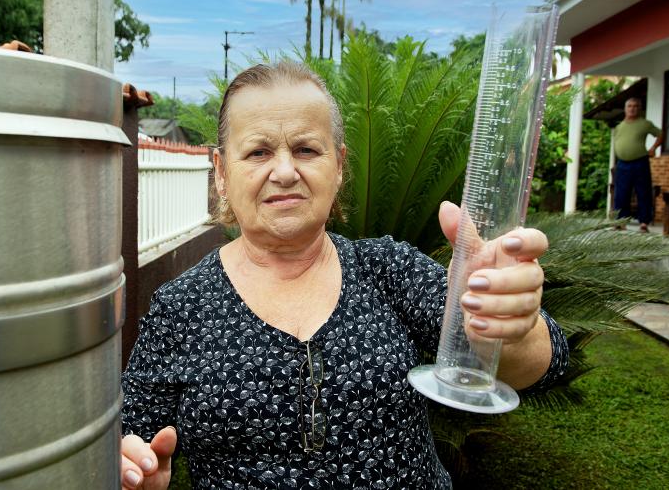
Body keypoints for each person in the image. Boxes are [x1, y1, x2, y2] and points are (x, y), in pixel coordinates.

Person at [120, 62, 569, 489]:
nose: (284, 172)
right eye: (258, 152)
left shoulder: (388, 269)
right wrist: (133, 470)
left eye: (306, 150)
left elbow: (544, 365)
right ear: (221, 173)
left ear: (338, 166)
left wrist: (502, 325)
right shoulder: (181, 308)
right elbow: (129, 438)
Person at [613, 97, 663, 233]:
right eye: (629, 106)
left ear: (639, 108)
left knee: (643, 192)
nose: (632, 108)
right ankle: (620, 222)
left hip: (640, 162)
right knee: (621, 193)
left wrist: (653, 148)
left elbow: (660, 134)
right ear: (625, 109)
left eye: (635, 106)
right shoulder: (619, 126)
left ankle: (644, 223)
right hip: (622, 164)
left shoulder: (645, 124)